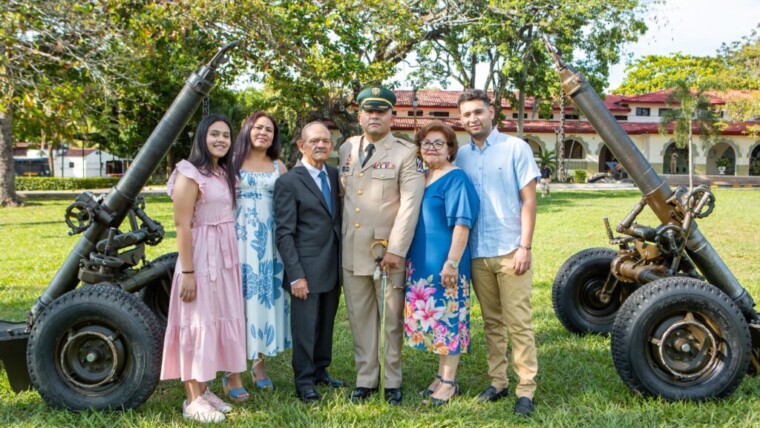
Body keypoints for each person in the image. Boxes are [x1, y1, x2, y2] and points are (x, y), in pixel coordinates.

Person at [454, 89, 540, 417]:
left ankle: (526, 389)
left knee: (518, 322)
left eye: (478, 112)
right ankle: (498, 381)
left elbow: (529, 201)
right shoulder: (460, 156)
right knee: (491, 322)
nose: (472, 119)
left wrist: (525, 246)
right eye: (466, 115)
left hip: (510, 250)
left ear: (492, 112)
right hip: (477, 252)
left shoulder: (515, 148)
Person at [339, 86, 425, 405]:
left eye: (381, 111)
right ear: (359, 114)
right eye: (368, 110)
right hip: (352, 250)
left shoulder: (406, 153)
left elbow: (410, 205)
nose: (374, 116)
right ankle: (366, 379)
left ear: (392, 115)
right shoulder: (347, 147)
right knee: (360, 320)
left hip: (386, 253)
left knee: (391, 320)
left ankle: (391, 381)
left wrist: (396, 250)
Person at [160, 114, 245, 423]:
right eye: (214, 134)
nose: (221, 139)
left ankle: (205, 389)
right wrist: (189, 272)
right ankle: (192, 399)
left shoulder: (223, 172)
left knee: (216, 319)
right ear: (201, 137)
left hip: (223, 260)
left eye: (226, 135)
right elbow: (183, 225)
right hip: (199, 258)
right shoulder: (188, 173)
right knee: (196, 322)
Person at [403, 121, 479, 406]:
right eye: (425, 143)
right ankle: (439, 377)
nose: (431, 148)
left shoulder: (455, 178)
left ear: (450, 149)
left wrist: (452, 263)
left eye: (438, 143)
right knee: (437, 323)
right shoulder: (424, 177)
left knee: (450, 322)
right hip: (421, 264)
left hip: (446, 264)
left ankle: (449, 383)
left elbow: (462, 223)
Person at [274, 121, 343, 404]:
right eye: (314, 140)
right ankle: (304, 380)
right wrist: (295, 275)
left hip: (333, 264)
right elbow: (284, 233)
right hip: (305, 269)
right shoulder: (289, 182)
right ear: (301, 145)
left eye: (326, 141)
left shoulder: (336, 175)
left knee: (326, 323)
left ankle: (320, 370)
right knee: (304, 328)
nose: (321, 145)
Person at [232, 112, 291, 395]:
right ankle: (233, 370)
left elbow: (290, 202)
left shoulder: (278, 165)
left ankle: (259, 364)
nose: (263, 133)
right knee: (238, 300)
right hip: (238, 239)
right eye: (258, 127)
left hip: (269, 242)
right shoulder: (232, 161)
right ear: (247, 130)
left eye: (269, 129)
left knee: (264, 299)